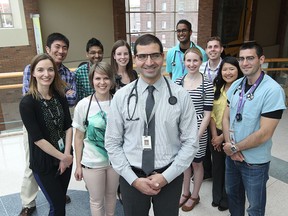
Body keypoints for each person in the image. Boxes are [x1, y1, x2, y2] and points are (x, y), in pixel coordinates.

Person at [105, 34, 199, 216]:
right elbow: (112, 142)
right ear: (135, 60)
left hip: (170, 174)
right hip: (132, 176)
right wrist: (133, 179)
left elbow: (190, 143)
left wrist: (166, 177)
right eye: (142, 56)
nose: (149, 62)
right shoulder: (122, 97)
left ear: (162, 57)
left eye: (154, 55)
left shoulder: (180, 96)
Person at [222, 42, 286, 216]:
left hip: (254, 163)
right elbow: (226, 117)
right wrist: (229, 146)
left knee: (255, 207)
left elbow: (265, 133)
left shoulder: (272, 90)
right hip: (232, 157)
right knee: (233, 196)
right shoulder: (236, 85)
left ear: (261, 59)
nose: (245, 63)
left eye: (250, 58)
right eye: (241, 59)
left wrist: (235, 148)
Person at [19, 32, 76, 216]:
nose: (46, 74)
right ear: (33, 72)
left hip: (65, 157)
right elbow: (37, 139)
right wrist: (62, 156)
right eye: (41, 70)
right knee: (58, 207)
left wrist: (67, 155)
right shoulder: (27, 103)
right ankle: (29, 203)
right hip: (44, 160)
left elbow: (68, 125)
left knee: (59, 203)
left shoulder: (59, 95)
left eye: (50, 70)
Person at [73, 62, 119, 216]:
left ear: (112, 80)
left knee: (112, 196)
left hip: (115, 162)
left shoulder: (118, 102)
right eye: (98, 78)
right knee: (96, 200)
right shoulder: (83, 105)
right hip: (92, 163)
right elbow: (78, 137)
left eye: (106, 78)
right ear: (92, 80)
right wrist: (78, 165)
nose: (102, 82)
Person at [175, 47, 214, 212]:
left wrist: (197, 136)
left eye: (195, 60)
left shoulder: (207, 82)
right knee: (184, 163)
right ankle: (185, 192)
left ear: (201, 61)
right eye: (188, 60)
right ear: (184, 62)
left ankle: (195, 195)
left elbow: (207, 114)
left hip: (199, 128)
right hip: (181, 128)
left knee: (197, 164)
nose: (192, 64)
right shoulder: (178, 81)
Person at [209, 56, 243, 212]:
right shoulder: (217, 88)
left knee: (230, 169)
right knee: (217, 167)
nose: (228, 72)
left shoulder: (242, 90)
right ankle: (216, 196)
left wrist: (223, 137)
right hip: (215, 132)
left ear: (238, 70)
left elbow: (236, 117)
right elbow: (212, 114)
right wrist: (215, 136)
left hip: (232, 134)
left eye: (232, 69)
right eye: (225, 69)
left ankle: (226, 198)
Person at [201, 36, 224, 181]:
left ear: (221, 49)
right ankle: (206, 172)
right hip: (204, 109)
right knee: (204, 141)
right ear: (206, 50)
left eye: (216, 47)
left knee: (217, 143)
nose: (213, 50)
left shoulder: (226, 67)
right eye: (210, 47)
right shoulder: (201, 66)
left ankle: (218, 175)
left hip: (220, 110)